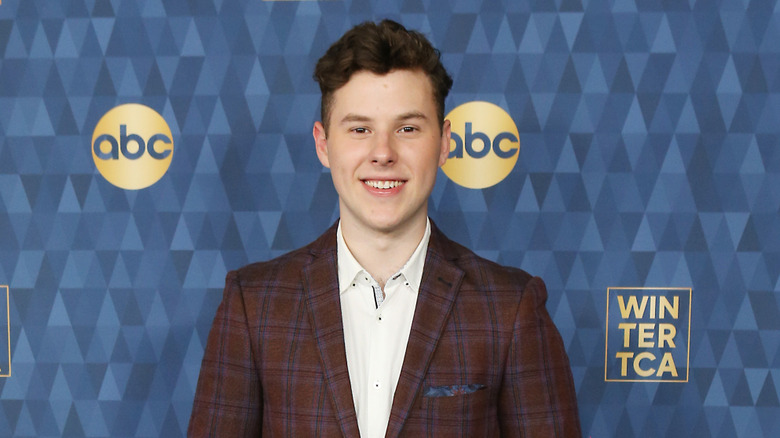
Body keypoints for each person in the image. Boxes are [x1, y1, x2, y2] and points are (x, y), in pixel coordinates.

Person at [188, 19, 581, 437]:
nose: (383, 153)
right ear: (323, 144)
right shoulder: (255, 306)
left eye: (407, 129)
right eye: (360, 129)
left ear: (445, 142)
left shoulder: (509, 309)